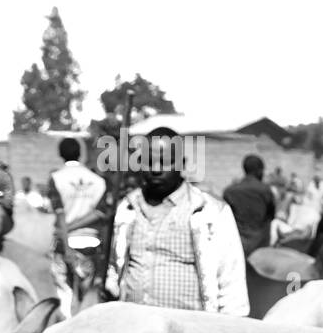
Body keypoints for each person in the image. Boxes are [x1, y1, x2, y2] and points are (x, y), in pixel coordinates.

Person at [106, 127, 248, 315]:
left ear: (182, 164)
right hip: (134, 328)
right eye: (149, 162)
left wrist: (229, 331)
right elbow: (114, 267)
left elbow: (231, 281)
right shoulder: (127, 208)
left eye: (165, 162)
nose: (156, 169)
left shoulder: (210, 212)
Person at [48, 137, 110, 315]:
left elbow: (60, 215)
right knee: (88, 293)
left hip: (65, 242)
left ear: (60, 154)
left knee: (65, 293)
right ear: (80, 153)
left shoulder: (56, 178)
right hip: (91, 241)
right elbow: (99, 213)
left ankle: (66, 332)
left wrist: (66, 240)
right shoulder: (98, 180)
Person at [223, 155, 279, 257]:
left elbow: (224, 219)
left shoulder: (230, 191)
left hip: (235, 245)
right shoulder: (265, 191)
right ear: (259, 171)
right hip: (258, 249)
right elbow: (271, 216)